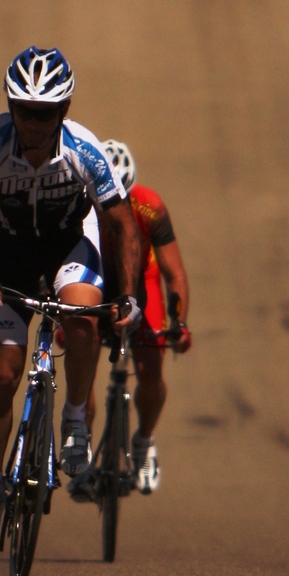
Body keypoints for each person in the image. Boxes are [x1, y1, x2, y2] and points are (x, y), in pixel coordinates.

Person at [0, 46, 141, 552]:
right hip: (8, 258)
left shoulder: (86, 150)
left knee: (81, 319)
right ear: (9, 106)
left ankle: (75, 416)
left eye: (44, 113)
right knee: (3, 374)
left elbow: (121, 223)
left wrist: (125, 296)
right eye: (22, 110)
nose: (32, 124)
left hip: (68, 247)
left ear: (65, 110)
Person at [95, 138, 191, 495]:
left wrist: (178, 323)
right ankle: (80, 435)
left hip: (142, 279)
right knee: (80, 348)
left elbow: (174, 274)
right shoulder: (78, 201)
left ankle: (144, 440)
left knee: (152, 364)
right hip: (98, 276)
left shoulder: (150, 207)